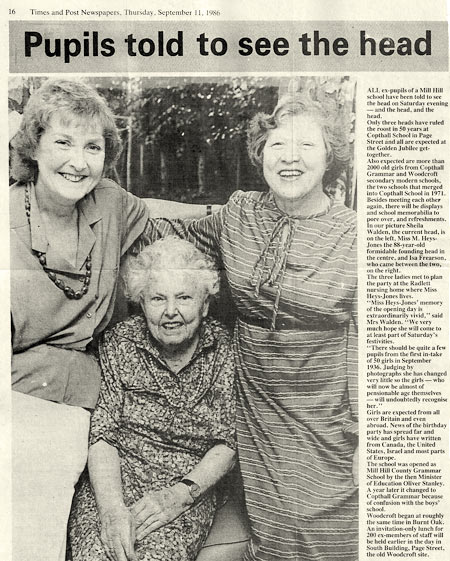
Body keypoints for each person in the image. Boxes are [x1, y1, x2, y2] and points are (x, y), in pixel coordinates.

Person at [142, 92, 359, 561]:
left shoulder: (355, 235)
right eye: (279, 145)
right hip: (256, 406)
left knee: (331, 538)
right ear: (261, 152)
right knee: (274, 539)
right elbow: (165, 224)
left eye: (307, 146)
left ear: (330, 156)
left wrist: (366, 433)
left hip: (327, 413)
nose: (290, 158)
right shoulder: (239, 214)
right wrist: (112, 200)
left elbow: (370, 342)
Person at [9, 79, 211, 561]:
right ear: (33, 146)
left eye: (92, 147)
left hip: (85, 397)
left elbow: (169, 219)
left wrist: (246, 209)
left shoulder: (110, 204)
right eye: (63, 141)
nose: (78, 161)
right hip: (18, 396)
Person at [69, 237, 236, 561]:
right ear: (141, 302)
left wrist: (180, 496)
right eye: (158, 298)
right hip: (113, 484)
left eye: (184, 297)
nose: (170, 312)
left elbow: (228, 443)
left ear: (204, 304)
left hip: (185, 490)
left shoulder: (224, 349)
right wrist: (112, 510)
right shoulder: (119, 343)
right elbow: (102, 434)